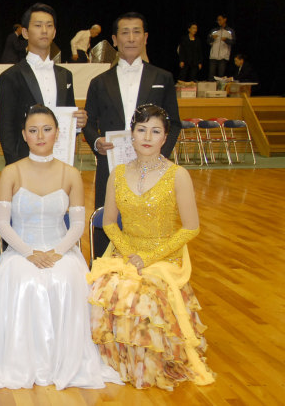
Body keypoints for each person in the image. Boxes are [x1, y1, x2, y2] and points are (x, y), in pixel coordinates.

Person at [0, 105, 120, 390]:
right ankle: (22, 361)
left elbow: (77, 225)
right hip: (21, 249)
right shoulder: (10, 172)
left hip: (61, 248)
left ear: (57, 133)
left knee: (66, 278)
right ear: (24, 135)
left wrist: (57, 252)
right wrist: (29, 253)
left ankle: (65, 360)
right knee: (23, 279)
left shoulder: (70, 173)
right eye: (33, 130)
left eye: (46, 129)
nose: (40, 136)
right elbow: (3, 224)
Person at [88, 104, 215, 390]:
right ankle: (116, 361)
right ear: (131, 135)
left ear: (165, 137)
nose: (147, 137)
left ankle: (146, 363)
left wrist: (149, 258)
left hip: (164, 257)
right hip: (126, 253)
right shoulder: (118, 173)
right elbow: (109, 223)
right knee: (100, 292)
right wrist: (129, 254)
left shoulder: (178, 175)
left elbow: (191, 227)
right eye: (141, 130)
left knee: (142, 296)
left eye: (155, 131)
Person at [83, 12, 181, 259]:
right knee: (107, 220)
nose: (131, 38)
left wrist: (159, 156)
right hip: (110, 166)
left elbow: (174, 123)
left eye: (136, 32)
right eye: (124, 33)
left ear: (145, 37)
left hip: (153, 168)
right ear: (115, 40)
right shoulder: (99, 82)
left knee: (149, 221)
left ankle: (150, 268)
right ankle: (104, 273)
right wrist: (96, 141)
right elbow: (88, 122)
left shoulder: (162, 78)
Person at [0, 3, 87, 165]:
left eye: (49, 26)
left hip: (59, 161)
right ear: (25, 32)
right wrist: (16, 168)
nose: (44, 30)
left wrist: (77, 123)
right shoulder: (10, 77)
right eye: (38, 25)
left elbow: (67, 122)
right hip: (25, 163)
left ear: (54, 32)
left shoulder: (65, 76)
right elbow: (6, 130)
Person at [207, 14, 235, 79]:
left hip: (223, 57)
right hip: (213, 56)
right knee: (211, 75)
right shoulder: (214, 31)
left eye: (220, 20)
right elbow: (208, 41)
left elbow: (233, 42)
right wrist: (212, 38)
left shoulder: (230, 31)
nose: (218, 21)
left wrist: (226, 40)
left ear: (225, 19)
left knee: (221, 76)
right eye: (218, 20)